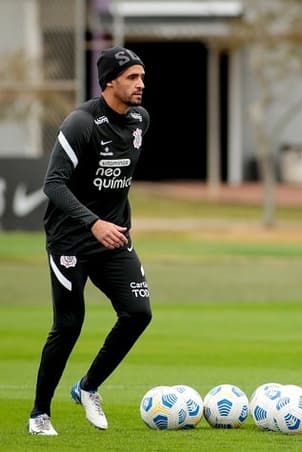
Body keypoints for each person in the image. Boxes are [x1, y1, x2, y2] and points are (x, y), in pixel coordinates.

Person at [27, 46, 152, 436]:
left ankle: (88, 387)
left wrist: (111, 222)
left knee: (138, 314)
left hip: (114, 237)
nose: (141, 84)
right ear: (110, 81)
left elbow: (115, 182)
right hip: (71, 240)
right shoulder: (80, 123)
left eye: (142, 77)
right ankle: (39, 415)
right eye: (133, 77)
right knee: (68, 324)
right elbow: (53, 185)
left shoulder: (139, 120)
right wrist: (93, 222)